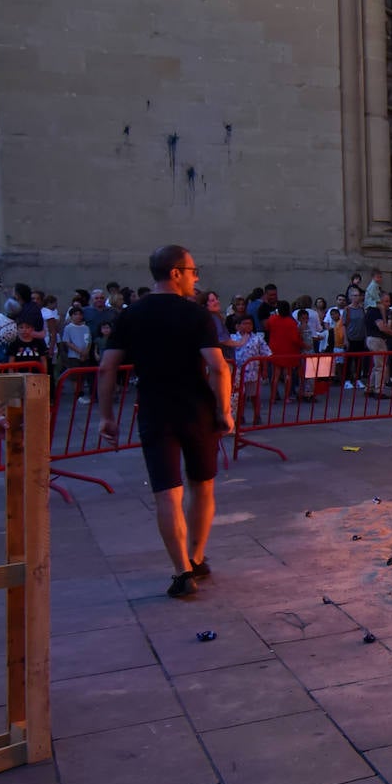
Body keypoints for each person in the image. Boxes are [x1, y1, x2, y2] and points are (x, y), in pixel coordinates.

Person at [97, 245, 233, 599]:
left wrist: (107, 416)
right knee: (202, 486)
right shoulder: (196, 316)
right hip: (196, 410)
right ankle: (196, 556)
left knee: (167, 494)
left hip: (156, 411)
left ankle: (181, 571)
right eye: (192, 270)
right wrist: (225, 410)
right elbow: (218, 366)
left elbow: (107, 367)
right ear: (175, 273)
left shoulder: (131, 315)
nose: (196, 277)